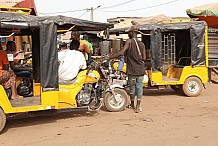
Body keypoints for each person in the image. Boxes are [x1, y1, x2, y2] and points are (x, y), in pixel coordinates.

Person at [105, 25, 146, 113]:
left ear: (132, 33)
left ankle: (132, 104)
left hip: (132, 70)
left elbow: (122, 52)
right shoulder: (142, 44)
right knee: (139, 87)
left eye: (129, 32)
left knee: (132, 87)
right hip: (141, 69)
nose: (128, 34)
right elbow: (144, 57)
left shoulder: (129, 41)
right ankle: (138, 107)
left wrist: (110, 57)